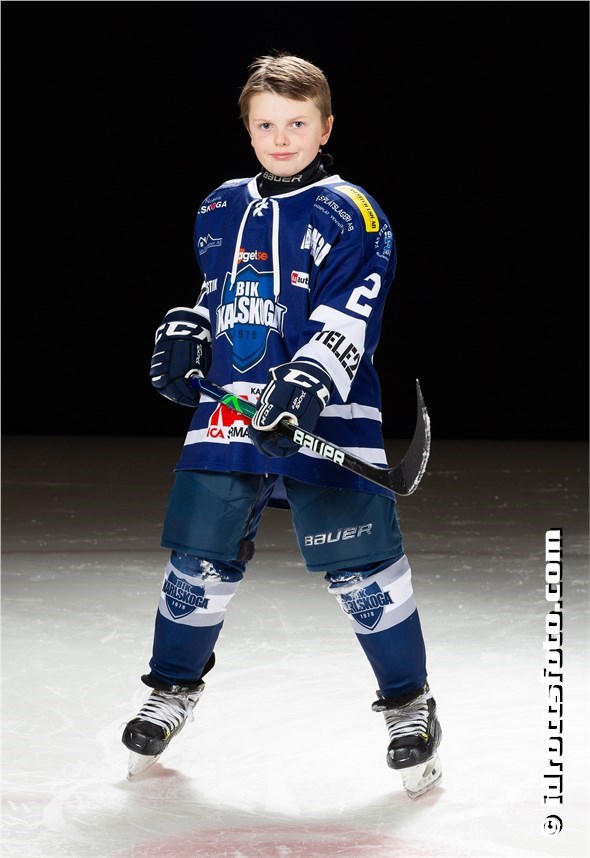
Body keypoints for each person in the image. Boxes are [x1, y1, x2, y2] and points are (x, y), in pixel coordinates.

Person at [122, 52, 442, 799]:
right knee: (198, 561)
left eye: (297, 123)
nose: (281, 138)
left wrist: (306, 383)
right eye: (266, 125)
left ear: (326, 127)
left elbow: (354, 310)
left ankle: (409, 705)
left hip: (326, 410)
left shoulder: (351, 211)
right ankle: (170, 690)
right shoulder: (218, 206)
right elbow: (222, 292)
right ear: (248, 129)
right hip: (231, 410)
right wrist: (189, 331)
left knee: (362, 571)